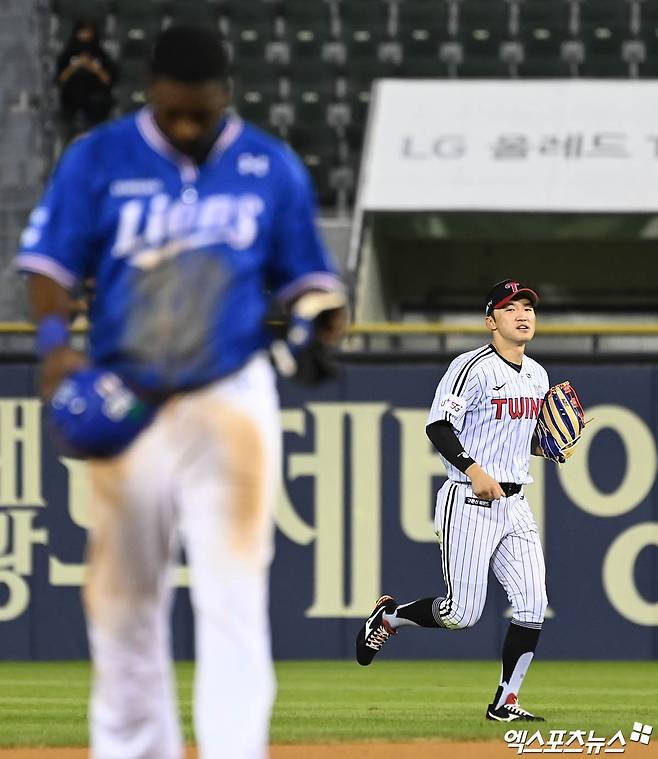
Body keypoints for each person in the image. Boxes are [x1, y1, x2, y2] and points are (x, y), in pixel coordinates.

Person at [18, 25, 345, 759]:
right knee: (123, 602)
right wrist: (55, 343)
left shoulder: (269, 165)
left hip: (229, 396)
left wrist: (321, 320)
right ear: (149, 95)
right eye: (173, 113)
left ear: (226, 94)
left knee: (234, 594)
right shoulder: (99, 157)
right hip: (128, 395)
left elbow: (310, 281)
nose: (188, 126)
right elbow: (49, 266)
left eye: (201, 111)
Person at [356, 279, 550, 722]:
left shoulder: (537, 375)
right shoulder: (472, 366)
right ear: (490, 321)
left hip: (515, 504)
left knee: (533, 604)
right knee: (461, 614)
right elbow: (439, 426)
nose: (522, 314)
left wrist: (547, 446)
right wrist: (474, 469)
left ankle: (505, 702)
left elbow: (519, 439)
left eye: (528, 307)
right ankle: (389, 618)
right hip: (468, 500)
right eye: (510, 308)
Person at [55, 18, 117, 144]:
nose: (85, 36)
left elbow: (108, 80)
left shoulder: (102, 55)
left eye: (88, 32)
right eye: (82, 32)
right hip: (71, 107)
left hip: (96, 109)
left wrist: (93, 67)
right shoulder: (67, 54)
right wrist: (75, 66)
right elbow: (60, 79)